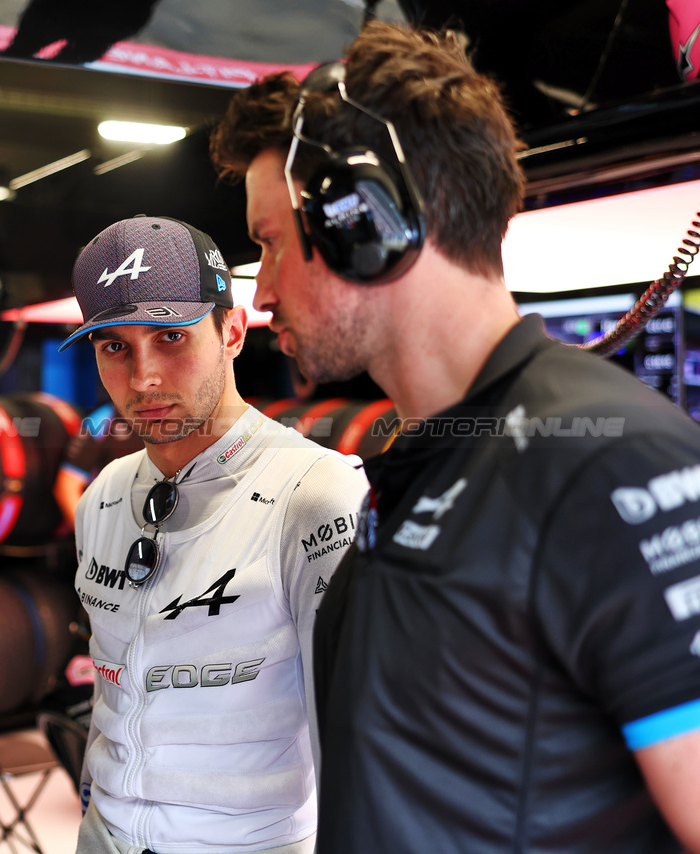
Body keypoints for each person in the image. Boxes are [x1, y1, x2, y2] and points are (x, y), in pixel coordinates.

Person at [210, 21, 700, 854]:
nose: (262, 297)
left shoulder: (605, 461)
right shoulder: (421, 464)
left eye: (269, 245)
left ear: (363, 221)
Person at [57, 215, 369, 854]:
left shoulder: (317, 495)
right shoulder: (104, 498)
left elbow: (362, 739)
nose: (143, 378)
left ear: (232, 330)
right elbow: (111, 690)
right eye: (114, 346)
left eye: (171, 336)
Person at [52, 401, 143, 529]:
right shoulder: (105, 419)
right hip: (116, 525)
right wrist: (92, 538)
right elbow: (67, 487)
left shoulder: (173, 417)